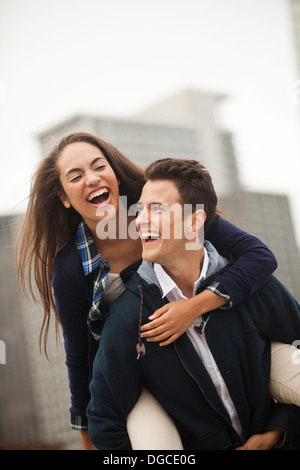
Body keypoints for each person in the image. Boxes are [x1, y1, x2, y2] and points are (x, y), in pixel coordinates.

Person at [17, 132, 279, 450]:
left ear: (113, 172)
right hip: (136, 368)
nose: (92, 178)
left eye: (99, 166)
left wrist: (193, 307)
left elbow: (260, 257)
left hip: (205, 338)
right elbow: (80, 357)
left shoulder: (169, 210)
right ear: (64, 197)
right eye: (76, 176)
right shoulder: (72, 268)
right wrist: (87, 440)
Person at [87, 158, 300, 450]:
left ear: (195, 220)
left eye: (157, 209)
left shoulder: (256, 288)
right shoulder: (128, 319)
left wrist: (276, 432)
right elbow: (104, 424)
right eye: (140, 209)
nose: (141, 220)